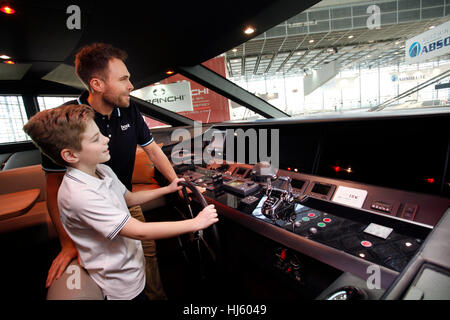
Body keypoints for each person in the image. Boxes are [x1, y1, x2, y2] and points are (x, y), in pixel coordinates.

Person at [23, 104, 218, 300]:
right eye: (95, 139)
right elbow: (138, 230)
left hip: (133, 268)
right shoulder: (80, 195)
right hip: (121, 287)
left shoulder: (101, 170)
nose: (106, 139)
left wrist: (167, 188)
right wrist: (196, 223)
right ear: (71, 155)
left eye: (100, 133)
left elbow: (129, 198)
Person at [41, 43, 187, 299]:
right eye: (124, 79)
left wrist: (177, 182)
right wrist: (67, 243)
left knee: (147, 251)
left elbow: (152, 149)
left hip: (124, 196)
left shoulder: (129, 108)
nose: (131, 85)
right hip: (92, 203)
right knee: (111, 265)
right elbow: (53, 183)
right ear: (97, 84)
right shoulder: (69, 120)